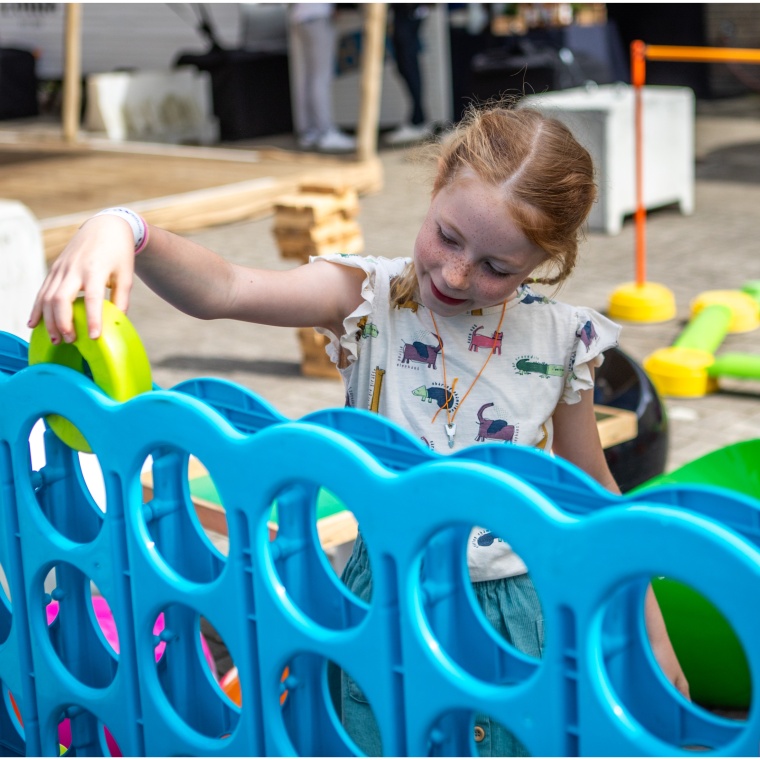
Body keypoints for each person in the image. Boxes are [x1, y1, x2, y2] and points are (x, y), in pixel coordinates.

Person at [29, 102, 688, 756]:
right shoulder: (369, 301)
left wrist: (654, 639)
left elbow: (593, 490)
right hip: (386, 604)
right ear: (435, 190)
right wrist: (122, 228)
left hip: (517, 615)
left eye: (497, 267)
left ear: (546, 260)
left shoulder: (561, 338)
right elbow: (225, 289)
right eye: (448, 236)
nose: (457, 275)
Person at [288, 3, 356, 153]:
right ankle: (325, 131)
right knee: (320, 77)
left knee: (309, 77)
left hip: (300, 16)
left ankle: (310, 131)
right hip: (317, 15)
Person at [385, 4, 432, 147]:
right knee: (404, 65)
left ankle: (418, 120)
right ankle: (418, 119)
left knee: (408, 64)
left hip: (410, 10)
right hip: (404, 11)